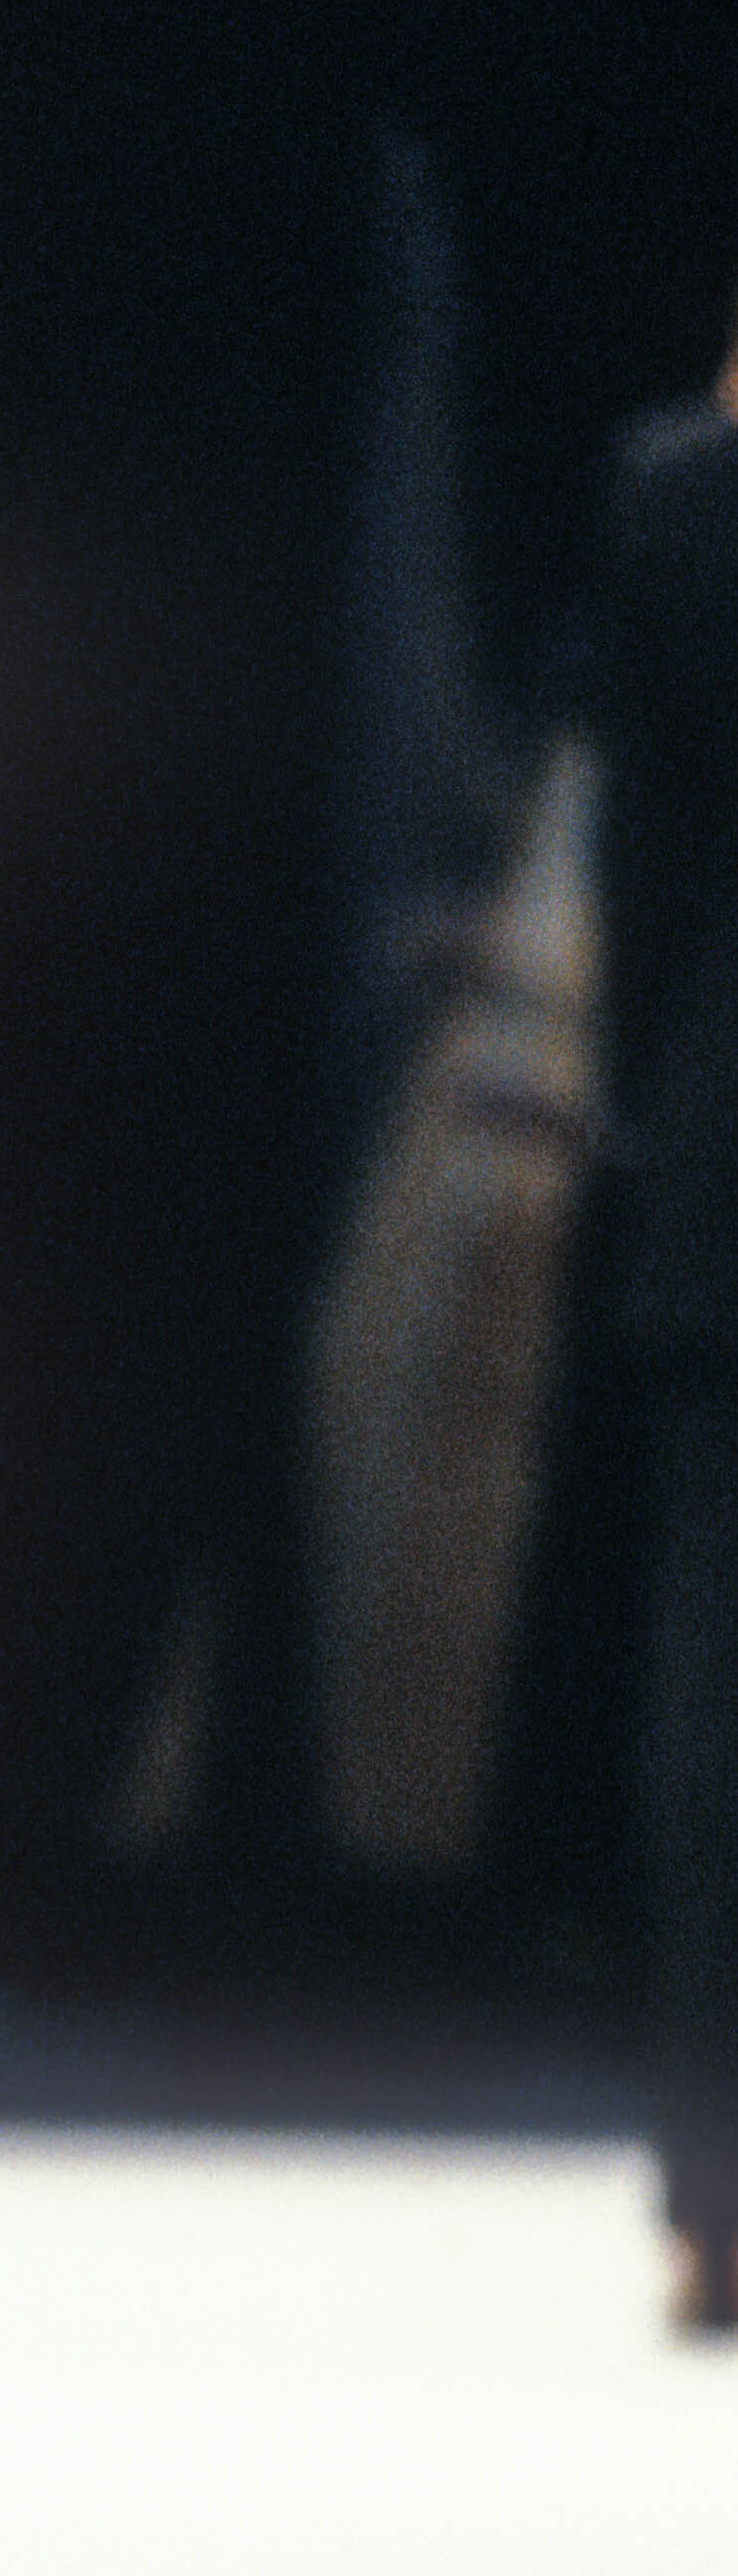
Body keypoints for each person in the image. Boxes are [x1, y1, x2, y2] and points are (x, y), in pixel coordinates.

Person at [589, 294, 738, 2329]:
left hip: (723, 1142)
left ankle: (717, 2188)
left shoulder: (680, 498)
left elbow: (647, 851)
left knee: (714, 1696)